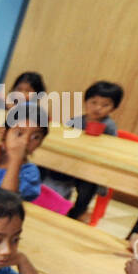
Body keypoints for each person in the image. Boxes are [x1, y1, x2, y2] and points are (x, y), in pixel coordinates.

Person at [42, 80, 124, 219]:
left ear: (113, 108)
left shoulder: (109, 126)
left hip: (90, 168)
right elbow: (64, 138)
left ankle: (77, 212)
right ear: (86, 101)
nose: (98, 108)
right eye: (94, 102)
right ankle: (52, 200)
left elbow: (110, 149)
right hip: (70, 163)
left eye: (105, 105)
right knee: (48, 167)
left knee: (88, 184)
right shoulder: (77, 120)